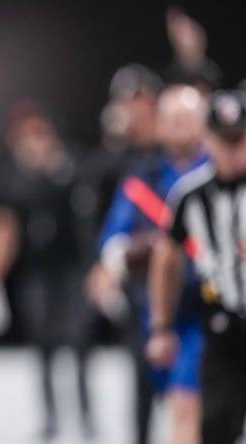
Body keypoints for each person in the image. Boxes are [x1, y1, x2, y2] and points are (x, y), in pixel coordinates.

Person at [94, 85, 209, 444]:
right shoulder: (142, 177)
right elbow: (112, 242)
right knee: (149, 401)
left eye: (187, 118)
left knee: (187, 404)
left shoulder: (221, 172)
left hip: (205, 310)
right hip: (149, 310)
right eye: (171, 119)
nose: (179, 127)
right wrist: (133, 253)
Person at [0, 100, 94, 440]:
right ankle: (51, 417)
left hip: (71, 269)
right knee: (43, 345)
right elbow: (4, 223)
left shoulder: (69, 163)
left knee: (77, 343)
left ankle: (85, 415)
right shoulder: (11, 176)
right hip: (34, 274)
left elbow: (82, 208)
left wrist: (50, 166)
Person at [147, 89, 246, 444]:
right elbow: (166, 258)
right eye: (224, 140)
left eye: (240, 140)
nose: (232, 150)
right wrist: (161, 325)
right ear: (208, 140)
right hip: (221, 327)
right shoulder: (190, 194)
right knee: (214, 428)